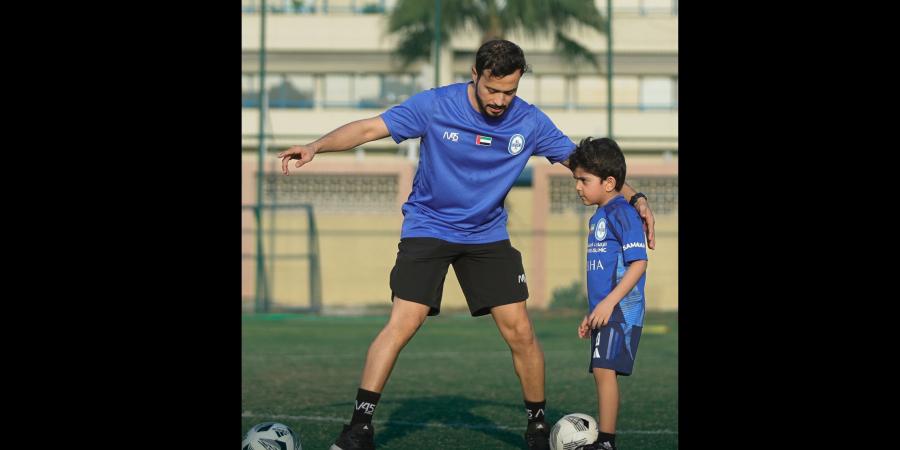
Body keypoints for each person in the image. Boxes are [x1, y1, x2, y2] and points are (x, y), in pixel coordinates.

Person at [277, 40, 656, 450]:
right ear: (474, 76)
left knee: (521, 333)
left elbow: (590, 168)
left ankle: (537, 428)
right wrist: (316, 146)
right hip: (428, 227)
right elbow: (371, 127)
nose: (500, 100)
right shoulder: (436, 105)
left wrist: (635, 198)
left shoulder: (529, 122)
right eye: (493, 90)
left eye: (509, 91)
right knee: (404, 322)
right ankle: (357, 430)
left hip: (487, 235)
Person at [570, 137, 649, 450]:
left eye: (584, 180)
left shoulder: (622, 213)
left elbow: (638, 263)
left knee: (604, 371)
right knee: (601, 372)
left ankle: (606, 443)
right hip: (605, 309)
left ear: (609, 182)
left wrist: (609, 303)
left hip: (620, 309)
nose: (577, 187)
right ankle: (606, 441)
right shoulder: (599, 216)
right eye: (576, 179)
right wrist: (593, 312)